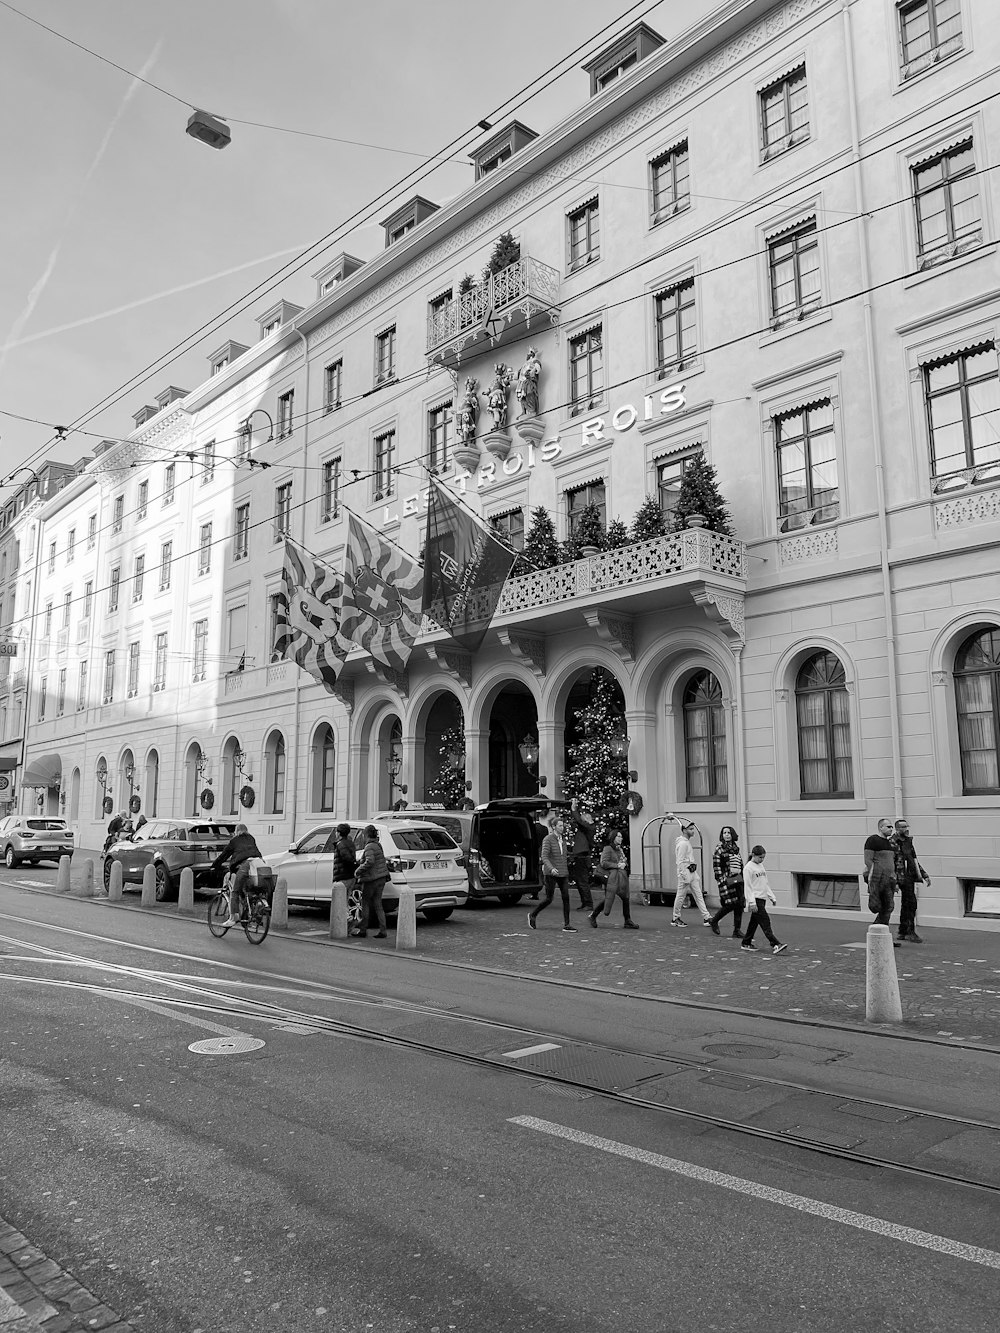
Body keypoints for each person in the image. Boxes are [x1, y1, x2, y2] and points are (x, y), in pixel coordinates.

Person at [210, 822, 264, 928]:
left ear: (236, 831)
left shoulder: (235, 840)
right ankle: (253, 909)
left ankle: (233, 918)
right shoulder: (251, 838)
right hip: (257, 864)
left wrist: (214, 865)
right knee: (249, 890)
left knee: (235, 891)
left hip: (245, 865)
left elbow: (224, 855)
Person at [530, 815, 575, 932]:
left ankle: (567, 924)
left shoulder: (563, 840)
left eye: (563, 825)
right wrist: (551, 868)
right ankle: (533, 915)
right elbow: (544, 856)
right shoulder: (548, 839)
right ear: (554, 827)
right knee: (549, 899)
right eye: (560, 826)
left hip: (563, 873)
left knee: (566, 898)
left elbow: (563, 857)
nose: (562, 828)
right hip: (551, 874)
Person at [740, 846, 786, 954]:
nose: (762, 860)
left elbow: (765, 883)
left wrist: (771, 896)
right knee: (765, 922)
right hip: (755, 899)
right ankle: (775, 943)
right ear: (753, 855)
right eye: (760, 857)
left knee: (754, 923)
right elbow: (748, 886)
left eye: (763, 857)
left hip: (762, 898)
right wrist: (751, 902)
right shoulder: (748, 868)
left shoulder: (760, 866)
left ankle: (746, 942)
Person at [588, 830, 637, 929]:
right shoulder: (608, 848)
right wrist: (617, 865)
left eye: (621, 837)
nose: (620, 838)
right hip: (609, 876)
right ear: (613, 837)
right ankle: (593, 915)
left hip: (619, 876)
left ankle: (627, 920)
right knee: (610, 897)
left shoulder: (620, 850)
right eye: (618, 836)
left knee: (625, 897)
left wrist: (624, 864)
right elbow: (604, 863)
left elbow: (623, 862)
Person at [891, 818, 929, 944]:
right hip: (900, 876)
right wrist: (894, 880)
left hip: (909, 875)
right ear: (897, 829)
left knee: (908, 904)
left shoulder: (908, 842)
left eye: (906, 826)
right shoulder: (892, 842)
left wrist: (924, 875)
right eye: (903, 827)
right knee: (910, 903)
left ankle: (904, 931)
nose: (906, 829)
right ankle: (908, 932)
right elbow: (891, 862)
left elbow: (914, 860)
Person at [864, 818, 899, 945]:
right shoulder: (873, 840)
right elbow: (868, 860)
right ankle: (877, 933)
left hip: (889, 879)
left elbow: (892, 863)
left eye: (891, 827)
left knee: (888, 906)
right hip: (878, 879)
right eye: (888, 827)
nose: (891, 829)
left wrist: (894, 878)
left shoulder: (891, 844)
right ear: (881, 828)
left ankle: (880, 933)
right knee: (879, 906)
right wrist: (873, 878)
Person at [672, 820, 711, 927]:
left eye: (693, 829)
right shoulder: (683, 844)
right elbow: (680, 861)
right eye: (690, 829)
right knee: (681, 896)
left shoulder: (685, 842)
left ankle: (706, 917)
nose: (693, 831)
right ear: (684, 830)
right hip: (685, 873)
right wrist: (684, 875)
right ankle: (675, 917)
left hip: (691, 872)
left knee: (698, 895)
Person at [352, 825, 388, 939]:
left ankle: (363, 930)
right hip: (382, 877)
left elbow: (370, 861)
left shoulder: (369, 847)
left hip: (371, 879)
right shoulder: (378, 845)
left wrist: (358, 870)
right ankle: (383, 930)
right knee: (378, 905)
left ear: (366, 835)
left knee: (365, 903)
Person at [708, 826, 745, 938]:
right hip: (726, 879)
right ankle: (714, 921)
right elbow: (717, 865)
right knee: (729, 903)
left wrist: (742, 876)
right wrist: (721, 880)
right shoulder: (719, 849)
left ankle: (737, 930)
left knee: (739, 904)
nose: (727, 835)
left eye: (729, 832)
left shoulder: (735, 848)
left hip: (738, 878)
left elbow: (740, 863)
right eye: (724, 833)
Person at [567, 796, 596, 911]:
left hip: (582, 857)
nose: (582, 820)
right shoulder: (587, 828)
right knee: (580, 882)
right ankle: (585, 903)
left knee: (582, 882)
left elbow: (578, 820)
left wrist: (574, 808)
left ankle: (588, 904)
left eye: (584, 818)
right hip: (580, 857)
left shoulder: (588, 827)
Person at [330, 822, 357, 911]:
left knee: (340, 901)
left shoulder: (340, 844)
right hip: (351, 876)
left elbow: (347, 858)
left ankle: (346, 918)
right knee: (346, 900)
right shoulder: (350, 843)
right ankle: (348, 919)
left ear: (339, 833)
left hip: (343, 876)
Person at [515, 347, 541, 418]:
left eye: (530, 352)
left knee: (529, 393)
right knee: (522, 396)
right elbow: (519, 372)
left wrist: (535, 370)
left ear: (532, 354)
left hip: (529, 380)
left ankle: (532, 411)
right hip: (522, 381)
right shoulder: (525, 363)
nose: (528, 354)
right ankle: (524, 411)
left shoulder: (534, 360)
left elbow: (537, 366)